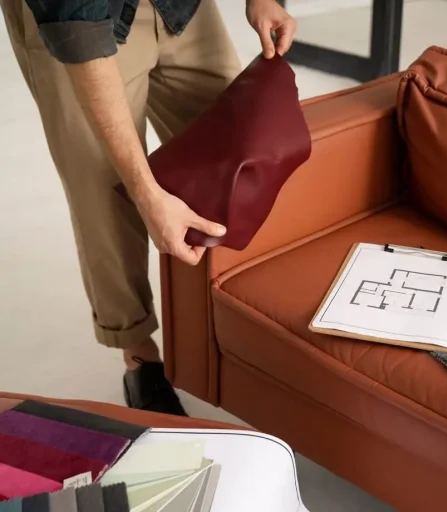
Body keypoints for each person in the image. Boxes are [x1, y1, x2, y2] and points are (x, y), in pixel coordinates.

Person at [0, 0, 296, 416]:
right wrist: (147, 194)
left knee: (242, 149)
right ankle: (139, 354)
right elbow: (79, 27)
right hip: (79, 22)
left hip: (181, 8)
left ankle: (229, 323)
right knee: (105, 191)